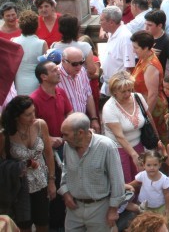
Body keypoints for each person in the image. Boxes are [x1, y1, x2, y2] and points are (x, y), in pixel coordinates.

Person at [58, 112, 125, 230]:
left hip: (99, 209)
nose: (63, 138)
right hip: (74, 209)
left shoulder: (106, 146)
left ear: (80, 133)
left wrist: (113, 209)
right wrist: (65, 192)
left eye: (66, 135)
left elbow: (117, 180)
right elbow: (65, 169)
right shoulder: (68, 145)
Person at [1, 95, 56, 232]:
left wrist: (51, 180)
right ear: (16, 117)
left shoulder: (40, 124)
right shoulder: (5, 134)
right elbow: (2, 164)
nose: (33, 117)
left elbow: (49, 154)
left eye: (33, 112)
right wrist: (21, 165)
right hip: (19, 187)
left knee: (43, 223)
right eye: (28, 115)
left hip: (41, 182)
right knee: (24, 226)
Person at [29, 60, 72, 230]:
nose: (58, 71)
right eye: (54, 70)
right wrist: (50, 138)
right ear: (43, 76)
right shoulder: (34, 99)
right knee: (54, 191)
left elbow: (69, 111)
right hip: (47, 153)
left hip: (65, 147)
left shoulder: (60, 92)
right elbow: (32, 129)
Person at [101, 71, 147, 184]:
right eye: (123, 91)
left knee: (141, 179)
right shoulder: (109, 108)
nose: (127, 94)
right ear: (114, 91)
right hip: (119, 150)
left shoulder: (138, 98)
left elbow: (148, 118)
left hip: (138, 145)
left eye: (129, 90)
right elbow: (119, 136)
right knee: (126, 182)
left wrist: (156, 140)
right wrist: (133, 154)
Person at [130, 31, 168, 143]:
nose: (133, 50)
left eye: (136, 48)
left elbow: (153, 94)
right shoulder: (144, 57)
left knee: (154, 139)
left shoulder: (151, 66)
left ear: (146, 48)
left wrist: (146, 116)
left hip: (152, 107)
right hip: (143, 103)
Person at [57, 47, 100, 131]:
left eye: (81, 62)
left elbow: (88, 95)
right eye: (74, 64)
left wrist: (94, 119)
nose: (79, 66)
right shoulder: (55, 74)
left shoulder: (82, 71)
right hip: (65, 125)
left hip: (82, 122)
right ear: (63, 61)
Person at [99, 6, 135, 96]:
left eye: (102, 20)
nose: (100, 23)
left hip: (119, 90)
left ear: (111, 22)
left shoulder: (125, 37)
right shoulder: (112, 33)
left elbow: (129, 67)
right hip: (108, 86)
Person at [126, 150, 169, 220]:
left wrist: (167, 209)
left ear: (160, 164)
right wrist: (125, 186)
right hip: (144, 207)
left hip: (159, 207)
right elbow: (136, 182)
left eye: (155, 165)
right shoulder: (142, 175)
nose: (152, 168)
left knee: (161, 225)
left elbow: (167, 194)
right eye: (149, 165)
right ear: (144, 165)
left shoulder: (164, 180)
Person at [11, 10, 48, 95]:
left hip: (18, 81)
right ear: (37, 26)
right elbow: (46, 65)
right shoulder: (42, 43)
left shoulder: (13, 41)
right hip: (37, 81)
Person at [143, 10, 169, 75]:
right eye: (145, 24)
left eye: (149, 25)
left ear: (160, 25)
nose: (146, 28)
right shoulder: (144, 38)